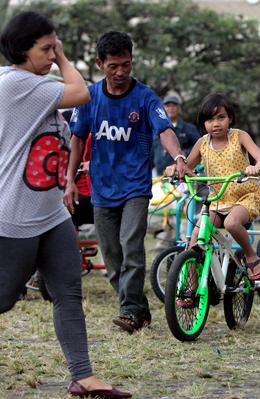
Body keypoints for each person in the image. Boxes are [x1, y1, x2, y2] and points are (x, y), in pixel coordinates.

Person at [0, 12, 131, 398]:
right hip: (16, 214)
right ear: (22, 52)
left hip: (51, 213)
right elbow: (82, 92)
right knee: (5, 297)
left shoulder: (33, 85)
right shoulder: (20, 84)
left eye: (54, 46)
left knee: (68, 292)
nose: (52, 53)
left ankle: (83, 375)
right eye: (46, 48)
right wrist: (63, 58)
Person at [65, 31, 190, 333]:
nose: (121, 72)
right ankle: (139, 310)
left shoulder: (145, 97)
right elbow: (77, 139)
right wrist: (69, 179)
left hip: (135, 186)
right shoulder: (89, 97)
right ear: (100, 64)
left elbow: (165, 131)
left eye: (126, 65)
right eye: (113, 66)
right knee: (112, 261)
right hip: (101, 189)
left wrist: (179, 157)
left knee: (131, 247)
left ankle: (130, 312)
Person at [184, 93, 260, 281]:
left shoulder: (239, 136)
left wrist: (255, 167)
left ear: (230, 118)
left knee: (231, 223)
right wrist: (176, 168)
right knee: (196, 235)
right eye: (210, 119)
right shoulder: (202, 143)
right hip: (218, 199)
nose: (216, 124)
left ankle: (251, 255)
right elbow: (186, 166)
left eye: (221, 117)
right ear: (203, 123)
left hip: (245, 196)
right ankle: (191, 282)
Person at [153, 94, 200, 175]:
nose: (171, 108)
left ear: (179, 109)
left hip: (180, 175)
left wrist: (184, 153)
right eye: (168, 106)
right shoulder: (156, 129)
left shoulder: (188, 128)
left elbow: (200, 147)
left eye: (174, 105)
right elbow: (151, 151)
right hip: (159, 174)